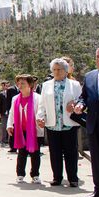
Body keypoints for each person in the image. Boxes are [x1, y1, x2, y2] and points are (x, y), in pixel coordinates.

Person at [36, 58, 82, 187]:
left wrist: (74, 103)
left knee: (71, 152)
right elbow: (42, 104)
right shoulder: (46, 85)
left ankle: (73, 178)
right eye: (54, 69)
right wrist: (40, 117)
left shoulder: (75, 84)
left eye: (59, 69)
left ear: (66, 71)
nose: (56, 72)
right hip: (53, 124)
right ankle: (57, 177)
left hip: (69, 123)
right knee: (55, 152)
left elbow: (81, 100)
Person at [74, 45, 99, 197]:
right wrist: (80, 104)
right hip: (93, 125)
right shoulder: (89, 76)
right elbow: (84, 96)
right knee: (96, 160)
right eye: (97, 56)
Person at [7, 75, 42, 184]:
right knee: (21, 153)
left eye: (23, 83)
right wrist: (9, 125)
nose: (20, 85)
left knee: (35, 153)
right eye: (19, 83)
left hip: (34, 131)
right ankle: (20, 174)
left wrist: (41, 120)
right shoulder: (15, 98)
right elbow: (12, 113)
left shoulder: (38, 98)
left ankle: (35, 174)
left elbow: (41, 112)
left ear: (30, 85)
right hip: (20, 131)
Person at [5, 81, 20, 152]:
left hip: (21, 112)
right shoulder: (10, 89)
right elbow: (7, 101)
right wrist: (8, 110)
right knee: (12, 129)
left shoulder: (24, 89)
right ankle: (13, 147)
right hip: (13, 111)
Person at [0, 81, 9, 147]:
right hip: (3, 113)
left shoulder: (11, 93)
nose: (6, 87)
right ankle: (3, 141)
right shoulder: (1, 94)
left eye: (7, 85)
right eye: (5, 85)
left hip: (10, 113)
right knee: (3, 127)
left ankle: (9, 141)